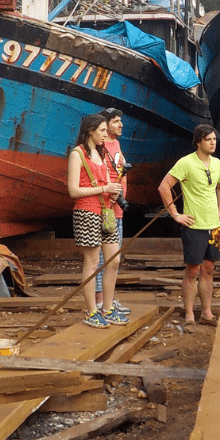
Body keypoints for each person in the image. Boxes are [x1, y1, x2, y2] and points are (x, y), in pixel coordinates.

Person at [157, 124, 220, 326]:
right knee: (193, 270)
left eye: (214, 139)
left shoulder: (217, 163)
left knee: (209, 269)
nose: (213, 142)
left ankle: (206, 312)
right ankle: (188, 314)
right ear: (198, 142)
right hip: (194, 225)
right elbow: (164, 186)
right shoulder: (186, 162)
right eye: (208, 139)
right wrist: (175, 214)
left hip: (213, 225)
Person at [67, 113, 126, 328]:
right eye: (101, 130)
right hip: (87, 212)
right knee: (92, 263)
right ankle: (92, 311)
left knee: (113, 260)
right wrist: (104, 189)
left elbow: (109, 181)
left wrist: (113, 193)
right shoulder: (77, 154)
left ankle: (107, 308)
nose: (105, 134)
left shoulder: (103, 153)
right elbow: (73, 190)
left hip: (106, 212)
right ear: (90, 131)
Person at [95, 107, 130, 316]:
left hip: (117, 209)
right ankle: (100, 302)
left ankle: (108, 299)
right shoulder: (99, 147)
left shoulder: (116, 144)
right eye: (116, 121)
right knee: (103, 257)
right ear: (105, 125)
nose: (121, 125)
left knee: (114, 257)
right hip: (105, 209)